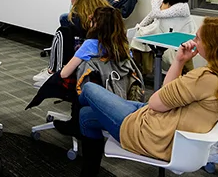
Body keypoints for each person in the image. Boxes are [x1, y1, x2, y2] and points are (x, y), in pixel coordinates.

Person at [76, 17, 218, 176]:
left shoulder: (205, 78)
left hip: (152, 133)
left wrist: (178, 64)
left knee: (89, 88)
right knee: (85, 116)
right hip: (167, 122)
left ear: (213, 46)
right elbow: (168, 94)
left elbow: (156, 102)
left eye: (198, 38)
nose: (194, 41)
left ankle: (73, 118)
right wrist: (179, 61)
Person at [28, 7, 141, 137]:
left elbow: (65, 73)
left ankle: (75, 123)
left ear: (96, 25)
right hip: (116, 92)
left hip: (90, 92)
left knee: (65, 77)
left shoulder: (90, 45)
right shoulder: (124, 47)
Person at [130, 0, 195, 74]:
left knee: (180, 66)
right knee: (138, 43)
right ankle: (142, 72)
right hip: (162, 34)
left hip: (178, 40)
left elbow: (157, 14)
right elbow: (151, 16)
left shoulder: (182, 7)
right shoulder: (163, 2)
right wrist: (139, 27)